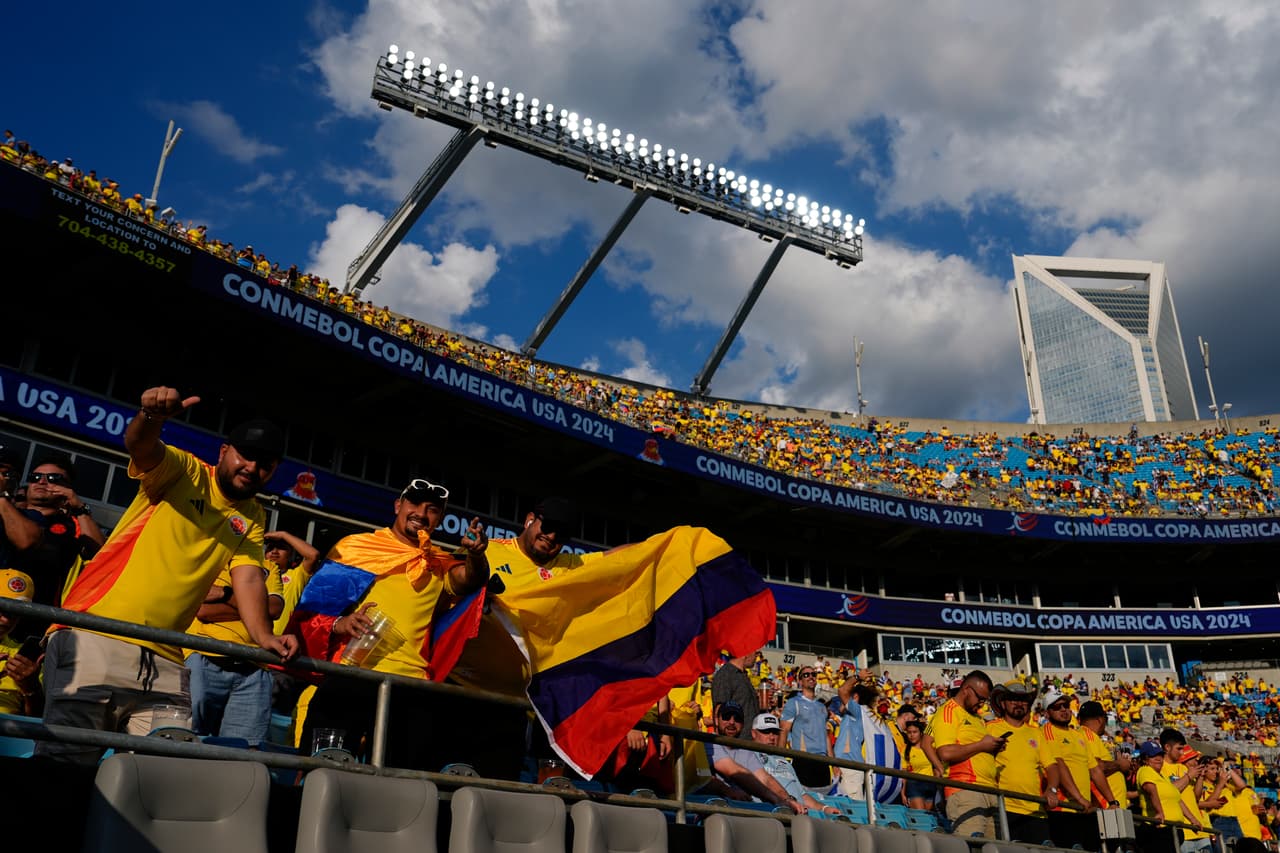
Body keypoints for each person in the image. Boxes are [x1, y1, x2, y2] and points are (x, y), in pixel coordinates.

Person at [35, 388, 299, 765]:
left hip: (166, 656)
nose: (253, 468)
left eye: (266, 464)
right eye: (247, 455)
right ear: (224, 452)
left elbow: (249, 577)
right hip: (96, 634)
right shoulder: (186, 471)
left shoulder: (252, 515)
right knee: (64, 768)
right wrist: (151, 416)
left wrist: (264, 637)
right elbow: (140, 446)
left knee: (158, 776)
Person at [295, 476, 490, 773]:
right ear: (398, 505)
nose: (421, 514)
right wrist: (341, 623)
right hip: (351, 676)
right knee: (321, 773)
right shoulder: (357, 548)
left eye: (432, 509)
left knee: (400, 785)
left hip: (409, 688)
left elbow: (471, 579)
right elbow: (312, 609)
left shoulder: (438, 562)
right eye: (414, 503)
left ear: (439, 519)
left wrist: (476, 555)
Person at [184, 546, 287, 743]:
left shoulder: (268, 566)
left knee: (241, 754)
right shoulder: (210, 556)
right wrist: (255, 608)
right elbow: (203, 610)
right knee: (189, 740)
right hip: (203, 658)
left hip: (254, 667)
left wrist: (225, 594)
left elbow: (274, 608)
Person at [13, 452, 105, 635]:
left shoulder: (73, 524)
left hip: (37, 625)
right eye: (35, 477)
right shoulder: (8, 513)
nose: (42, 482)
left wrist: (79, 506)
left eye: (53, 478)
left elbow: (101, 554)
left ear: (67, 488)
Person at [928, 669, 1005, 838]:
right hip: (965, 790)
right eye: (980, 698)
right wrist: (982, 745)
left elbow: (977, 749)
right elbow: (945, 752)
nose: (982, 704)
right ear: (967, 690)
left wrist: (993, 747)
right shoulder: (948, 711)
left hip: (989, 790)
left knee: (995, 848)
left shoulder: (977, 718)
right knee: (972, 846)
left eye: (985, 700)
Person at [702, 702, 805, 814]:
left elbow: (765, 778)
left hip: (743, 806)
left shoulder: (745, 749)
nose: (732, 722)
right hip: (716, 805)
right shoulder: (709, 742)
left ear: (743, 724)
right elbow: (733, 771)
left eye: (737, 719)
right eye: (727, 717)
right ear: (717, 721)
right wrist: (728, 791)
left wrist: (786, 799)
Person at [1038, 690, 1109, 850]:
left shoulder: (1078, 735)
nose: (1064, 709)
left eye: (1066, 705)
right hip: (1063, 808)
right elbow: (1059, 764)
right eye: (1057, 707)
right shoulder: (1047, 731)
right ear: (1047, 713)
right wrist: (1079, 798)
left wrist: (1112, 802)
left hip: (1084, 808)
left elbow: (1095, 770)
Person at [988, 679, 1052, 845]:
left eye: (1023, 700)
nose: (1019, 704)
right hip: (1004, 807)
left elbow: (1052, 766)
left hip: (1036, 810)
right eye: (1013, 699)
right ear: (1003, 703)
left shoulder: (1037, 732)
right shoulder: (990, 728)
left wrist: (1052, 789)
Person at [749, 712, 842, 816]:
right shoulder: (748, 755)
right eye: (766, 732)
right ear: (753, 733)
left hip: (799, 814)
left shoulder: (783, 760)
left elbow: (802, 795)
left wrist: (824, 808)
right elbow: (765, 781)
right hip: (772, 813)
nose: (772, 737)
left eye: (775, 732)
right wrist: (788, 801)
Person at [780, 662, 836, 794]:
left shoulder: (822, 707)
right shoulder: (794, 703)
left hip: (822, 762)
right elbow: (784, 731)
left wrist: (834, 763)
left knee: (822, 802)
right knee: (804, 800)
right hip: (803, 760)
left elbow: (825, 735)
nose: (811, 677)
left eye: (813, 674)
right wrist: (780, 760)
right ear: (800, 681)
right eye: (806, 675)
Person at [0, 569, 43, 716]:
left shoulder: (24, 660)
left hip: (11, 735)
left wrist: (30, 688)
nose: (6, 620)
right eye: (1, 608)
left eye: (14, 612)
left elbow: (38, 722)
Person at [1137, 740, 1187, 853]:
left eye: (1160, 755)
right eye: (1153, 755)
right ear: (1145, 759)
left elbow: (1177, 799)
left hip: (1172, 829)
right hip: (1160, 830)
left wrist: (1194, 820)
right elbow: (1151, 790)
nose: (1158, 758)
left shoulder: (1162, 776)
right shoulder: (1145, 770)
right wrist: (1159, 812)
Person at [0, 445, 40, 570]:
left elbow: (25, 541)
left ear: (14, 481)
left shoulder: (29, 517)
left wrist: (2, 496)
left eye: (5, 473)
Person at [711, 649, 761, 727]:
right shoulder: (726, 675)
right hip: (737, 738)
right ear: (746, 652)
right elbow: (719, 712)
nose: (757, 655)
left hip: (750, 737)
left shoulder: (742, 675)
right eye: (755, 651)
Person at [901, 719, 938, 810]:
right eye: (909, 732)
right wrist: (902, 794)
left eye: (915, 732)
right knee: (921, 815)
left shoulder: (931, 748)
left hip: (931, 784)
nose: (912, 735)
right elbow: (903, 774)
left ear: (921, 733)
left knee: (929, 817)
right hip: (915, 785)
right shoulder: (905, 750)